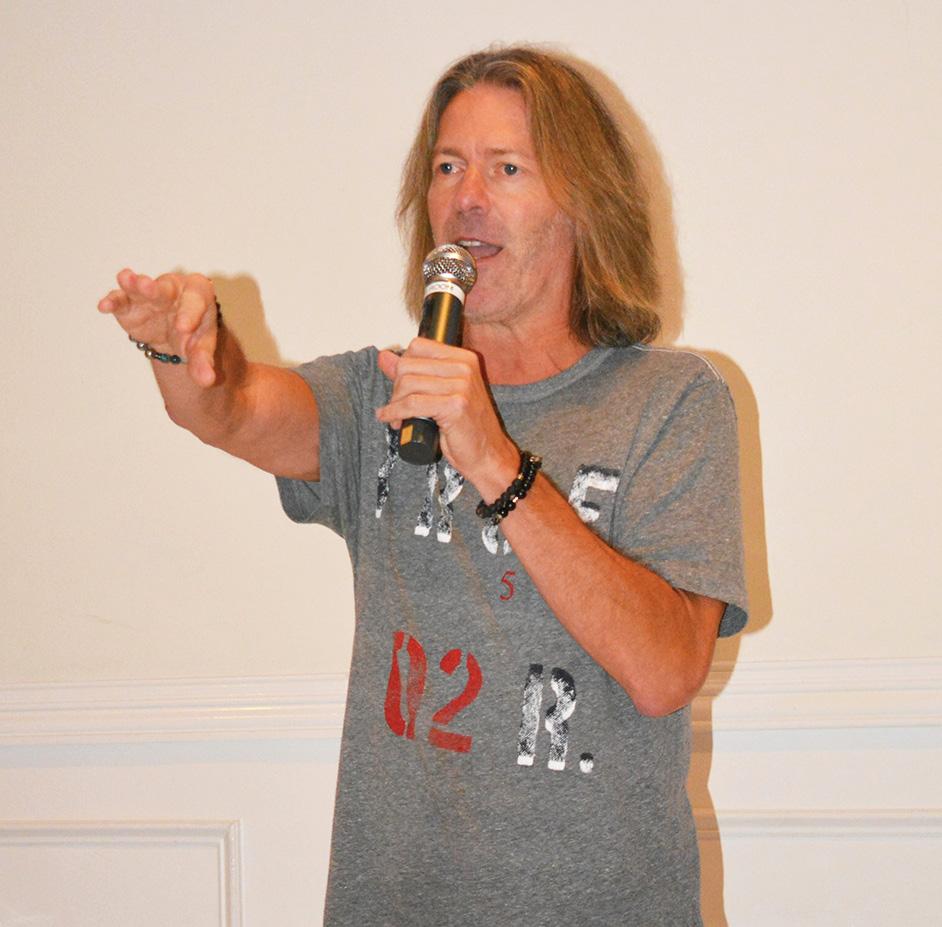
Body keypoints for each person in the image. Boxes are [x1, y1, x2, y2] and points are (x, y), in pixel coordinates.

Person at [99, 46, 747, 927]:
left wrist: (495, 460)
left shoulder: (672, 401)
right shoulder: (386, 393)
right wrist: (178, 348)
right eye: (448, 167)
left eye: (506, 168)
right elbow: (233, 407)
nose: (466, 196)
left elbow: (666, 671)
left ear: (585, 203)